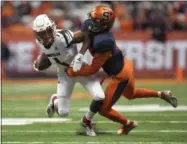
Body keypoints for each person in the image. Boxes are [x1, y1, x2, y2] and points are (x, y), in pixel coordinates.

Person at [66, 5, 178, 135]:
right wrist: (66, 38)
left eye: (95, 20)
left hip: (120, 75)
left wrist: (72, 72)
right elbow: (83, 35)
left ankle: (128, 124)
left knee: (104, 109)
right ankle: (161, 94)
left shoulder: (103, 42)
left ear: (103, 25)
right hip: (125, 65)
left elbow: (93, 69)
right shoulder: (96, 31)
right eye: (93, 18)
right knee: (131, 94)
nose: (91, 21)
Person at [32, 14, 106, 136]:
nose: (46, 36)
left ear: (53, 28)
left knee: (99, 96)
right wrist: (39, 64)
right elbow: (46, 53)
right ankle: (55, 100)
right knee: (63, 112)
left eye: (48, 31)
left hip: (80, 68)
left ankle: (86, 122)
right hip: (64, 73)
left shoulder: (63, 36)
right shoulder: (39, 42)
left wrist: (80, 55)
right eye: (42, 34)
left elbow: (86, 36)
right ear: (37, 35)